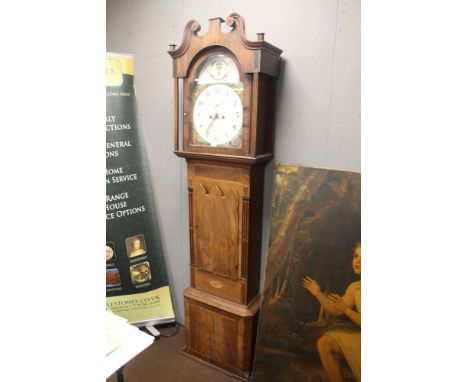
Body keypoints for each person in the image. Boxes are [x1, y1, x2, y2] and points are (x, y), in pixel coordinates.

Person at [303, 243, 361, 382]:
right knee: (324, 343)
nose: (358, 261)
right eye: (356, 256)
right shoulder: (355, 287)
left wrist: (346, 310)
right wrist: (318, 293)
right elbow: (335, 310)